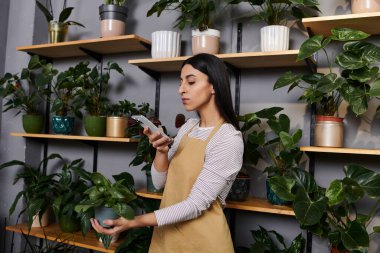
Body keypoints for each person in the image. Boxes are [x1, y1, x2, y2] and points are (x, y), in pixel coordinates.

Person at [91, 53, 244, 252]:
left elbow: (195, 205)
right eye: (181, 82)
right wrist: (162, 151)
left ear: (214, 85)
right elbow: (160, 183)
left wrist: (134, 221)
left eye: (191, 82)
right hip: (167, 238)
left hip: (203, 243)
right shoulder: (188, 127)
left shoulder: (228, 139)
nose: (181, 89)